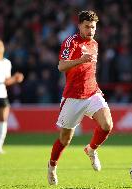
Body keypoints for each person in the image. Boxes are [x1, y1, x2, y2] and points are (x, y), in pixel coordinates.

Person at [47, 10, 113, 185]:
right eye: (87, 27)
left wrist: (96, 87)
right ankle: (52, 166)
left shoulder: (95, 44)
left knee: (107, 125)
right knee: (65, 139)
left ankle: (91, 149)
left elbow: (90, 71)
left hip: (92, 93)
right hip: (73, 97)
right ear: (79, 26)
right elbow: (61, 66)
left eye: (93, 27)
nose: (90, 30)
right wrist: (81, 60)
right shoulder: (71, 42)